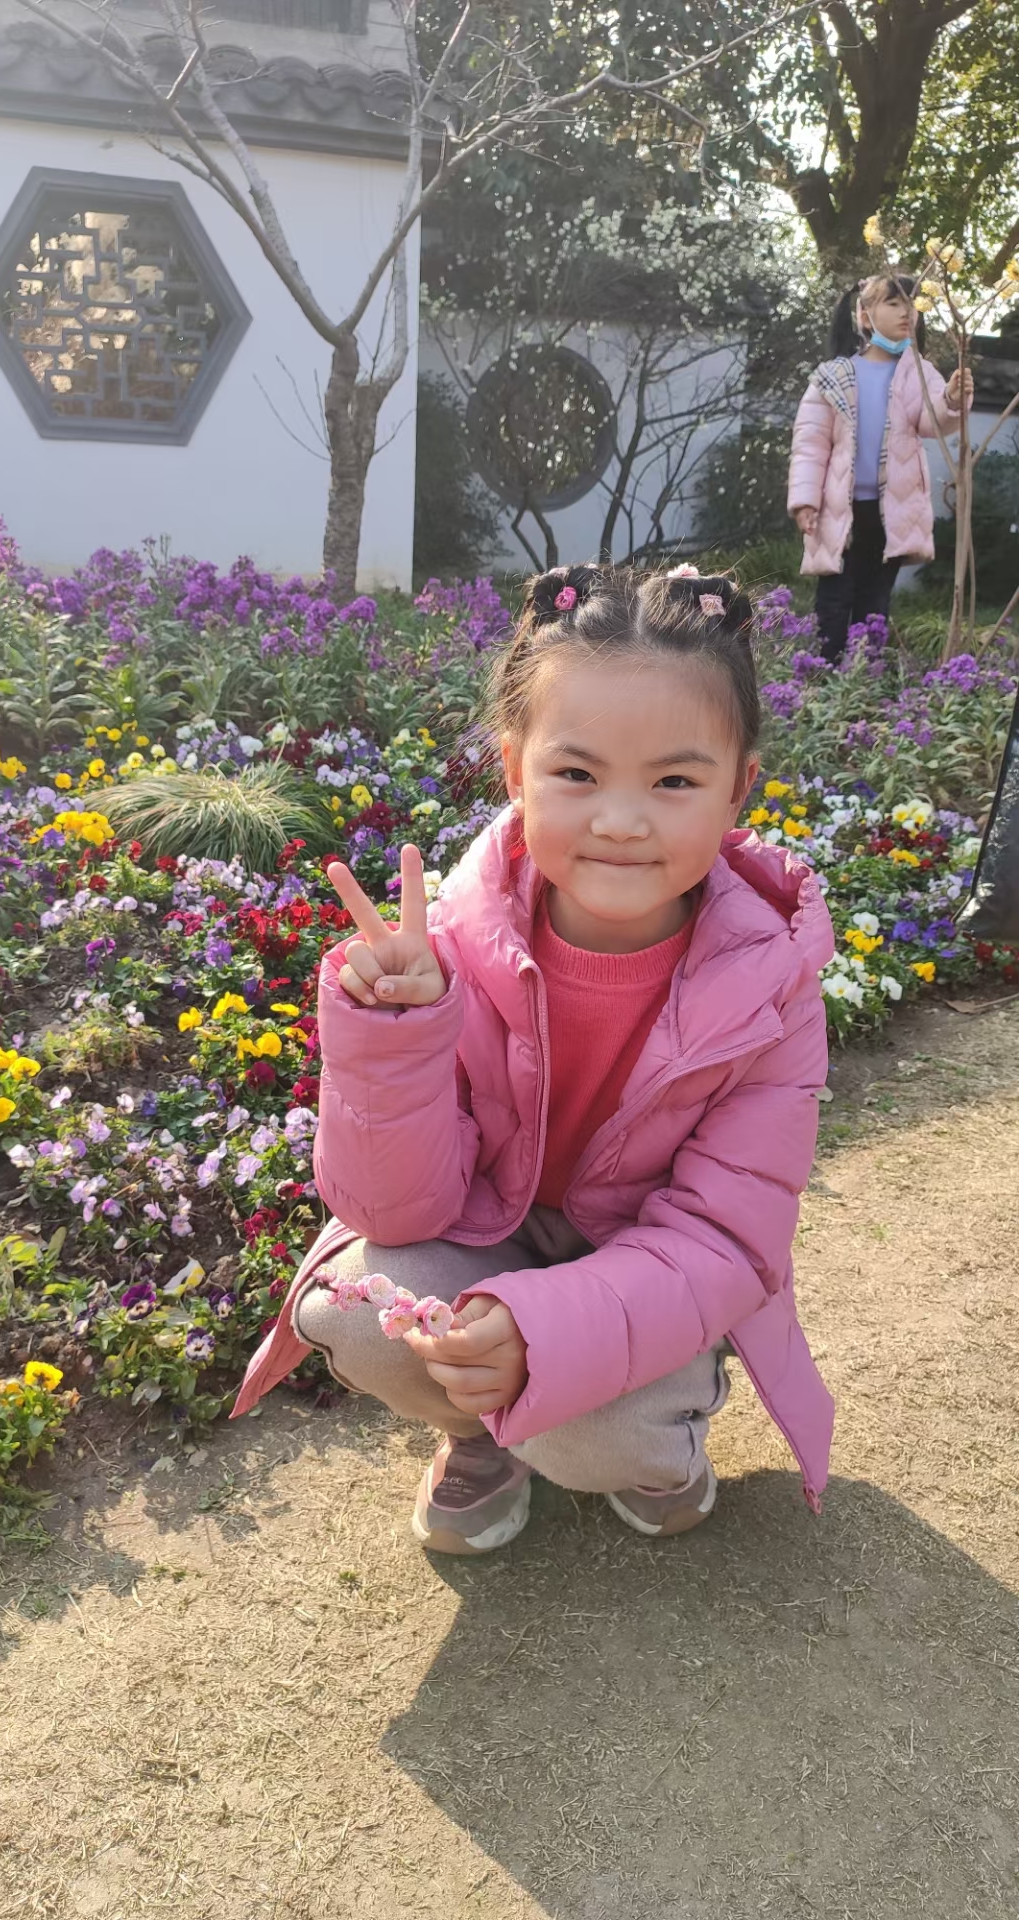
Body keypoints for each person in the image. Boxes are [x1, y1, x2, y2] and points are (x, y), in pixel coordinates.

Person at [233, 565, 836, 1554]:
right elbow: (394, 1216)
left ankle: (659, 1441)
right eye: (577, 775)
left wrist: (543, 1332)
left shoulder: (771, 986)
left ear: (740, 788)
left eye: (675, 781)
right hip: (491, 1235)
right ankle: (482, 1434)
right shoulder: (453, 947)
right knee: (355, 1309)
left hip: (649, 1274)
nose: (621, 820)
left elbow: (726, 1241)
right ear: (515, 770)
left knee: (596, 1437)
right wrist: (393, 1041)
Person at [788, 275, 973, 665]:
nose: (907, 312)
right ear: (865, 315)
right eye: (894, 303)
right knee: (834, 599)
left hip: (893, 511)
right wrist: (805, 501)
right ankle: (821, 675)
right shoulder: (833, 376)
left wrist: (953, 399)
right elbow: (810, 444)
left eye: (913, 304)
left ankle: (865, 678)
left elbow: (932, 420)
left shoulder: (918, 372)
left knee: (875, 601)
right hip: (840, 511)